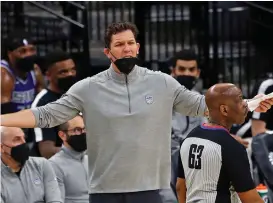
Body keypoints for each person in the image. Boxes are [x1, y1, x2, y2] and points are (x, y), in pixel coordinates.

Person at [1, 22, 272, 203]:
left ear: (138, 47)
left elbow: (204, 104)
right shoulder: (87, 88)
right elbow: (46, 115)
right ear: (108, 52)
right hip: (105, 191)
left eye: (131, 43)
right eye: (119, 45)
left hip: (152, 190)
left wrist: (249, 103)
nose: (127, 48)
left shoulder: (163, 83)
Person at [176, 83, 264, 203]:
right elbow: (251, 200)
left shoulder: (189, 138)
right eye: (239, 100)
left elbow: (180, 187)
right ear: (224, 110)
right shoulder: (232, 147)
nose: (244, 104)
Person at [31, 50, 77, 158]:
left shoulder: (79, 95)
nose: (70, 74)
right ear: (48, 75)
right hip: (55, 167)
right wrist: (82, 152)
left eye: (73, 70)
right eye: (63, 72)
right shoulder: (43, 104)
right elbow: (47, 151)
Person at [0, 126, 62, 203]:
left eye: (24, 138)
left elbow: (55, 199)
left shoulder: (42, 164)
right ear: (1, 147)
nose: (23, 143)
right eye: (17, 139)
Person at [1, 30, 45, 114]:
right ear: (10, 54)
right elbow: (4, 115)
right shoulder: (3, 74)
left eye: (32, 50)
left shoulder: (35, 71)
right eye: (23, 51)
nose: (29, 54)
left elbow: (43, 101)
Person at [49, 115, 89, 203]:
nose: (83, 133)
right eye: (77, 130)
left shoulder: (91, 160)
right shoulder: (54, 165)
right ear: (62, 135)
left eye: (84, 129)